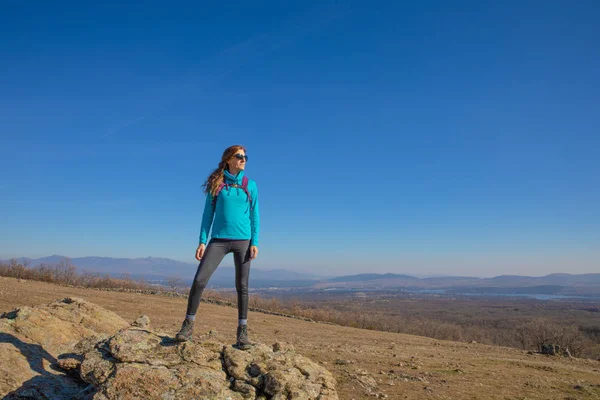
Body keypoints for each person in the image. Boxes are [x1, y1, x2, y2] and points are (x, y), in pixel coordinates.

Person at [175, 145, 259, 350]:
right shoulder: (218, 184)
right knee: (200, 280)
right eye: (239, 156)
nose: (243, 159)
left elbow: (255, 215)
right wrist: (202, 241)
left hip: (243, 242)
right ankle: (187, 326)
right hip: (219, 240)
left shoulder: (250, 185)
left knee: (243, 287)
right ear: (228, 159)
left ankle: (242, 333)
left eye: (245, 156)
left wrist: (255, 242)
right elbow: (207, 215)